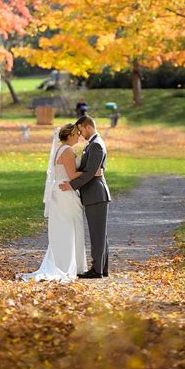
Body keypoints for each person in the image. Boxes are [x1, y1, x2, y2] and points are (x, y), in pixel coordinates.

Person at [17, 123, 103, 282]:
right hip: (66, 193)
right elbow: (71, 175)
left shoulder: (60, 149)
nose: (79, 136)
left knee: (65, 227)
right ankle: (69, 266)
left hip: (60, 191)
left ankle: (68, 263)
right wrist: (92, 172)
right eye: (77, 133)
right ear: (70, 135)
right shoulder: (67, 150)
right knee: (70, 227)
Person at [60, 115, 111, 279]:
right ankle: (102, 268)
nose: (80, 134)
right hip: (93, 194)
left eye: (81, 130)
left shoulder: (96, 145)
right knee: (100, 233)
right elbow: (89, 170)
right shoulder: (93, 144)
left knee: (97, 233)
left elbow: (90, 174)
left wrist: (72, 185)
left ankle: (97, 270)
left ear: (88, 126)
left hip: (96, 193)